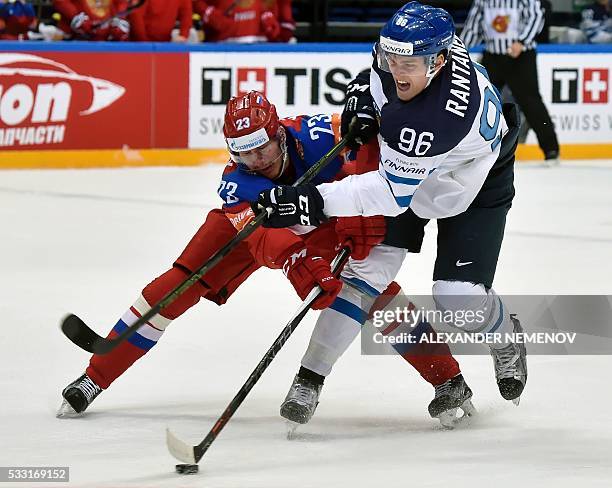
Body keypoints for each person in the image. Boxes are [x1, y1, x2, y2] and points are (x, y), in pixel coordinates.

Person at [58, 91, 470, 428]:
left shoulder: (319, 134)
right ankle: (95, 376)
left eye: (261, 148)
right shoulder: (237, 183)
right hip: (256, 229)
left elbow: (370, 148)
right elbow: (265, 239)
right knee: (176, 284)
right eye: (242, 154)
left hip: (319, 217)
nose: (256, 161)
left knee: (372, 292)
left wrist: (364, 117)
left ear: (279, 133)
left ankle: (448, 377)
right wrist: (300, 266)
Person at [258, 2, 528, 405]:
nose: (397, 69)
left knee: (456, 296)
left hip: (473, 180)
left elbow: (389, 192)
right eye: (392, 58)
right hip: (420, 164)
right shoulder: (412, 48)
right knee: (364, 274)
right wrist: (361, 95)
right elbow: (377, 77)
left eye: (410, 64)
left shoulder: (437, 117)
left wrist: (308, 200)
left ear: (438, 61)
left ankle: (506, 339)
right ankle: (310, 378)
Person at [461, 0, 559, 165]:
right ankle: (469, 150)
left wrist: (522, 41)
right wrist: (460, 49)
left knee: (531, 102)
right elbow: (473, 26)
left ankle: (551, 149)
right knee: (479, 102)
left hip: (521, 57)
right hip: (493, 56)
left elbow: (536, 16)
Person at [192, 0, 295, 43]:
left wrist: (269, 16)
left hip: (260, 44)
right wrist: (207, 12)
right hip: (223, 44)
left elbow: (282, 7)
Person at [53, 0, 130, 41]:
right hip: (74, 40)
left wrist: (121, 18)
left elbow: (122, 2)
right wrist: (74, 15)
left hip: (108, 39)